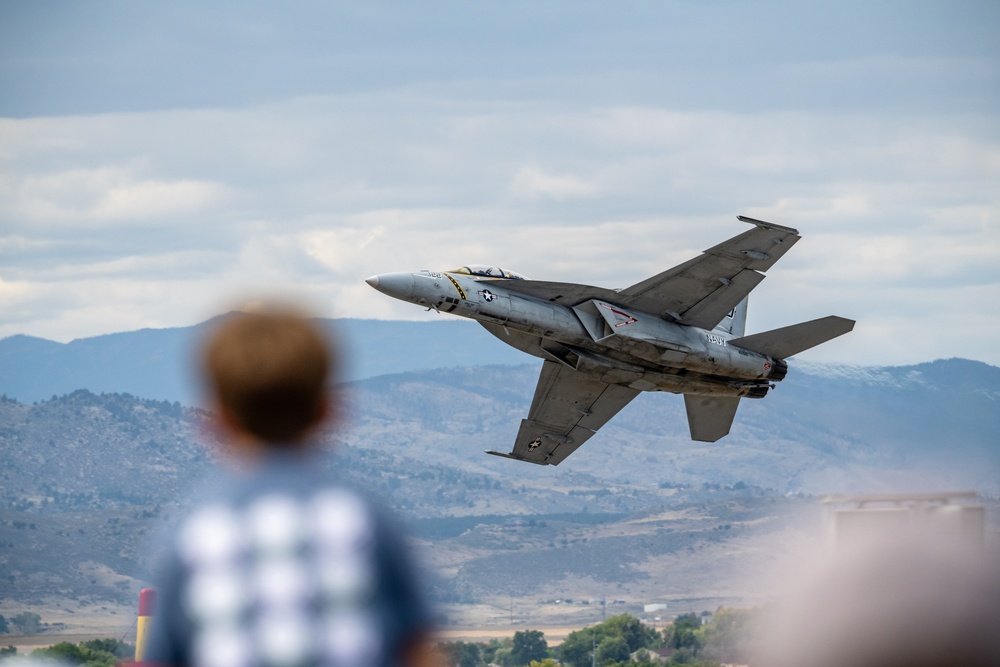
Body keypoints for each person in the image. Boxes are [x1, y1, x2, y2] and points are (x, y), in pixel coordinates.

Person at [146, 304, 434, 667]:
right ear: (329, 410)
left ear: (215, 418)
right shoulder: (366, 519)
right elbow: (417, 648)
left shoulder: (191, 531)